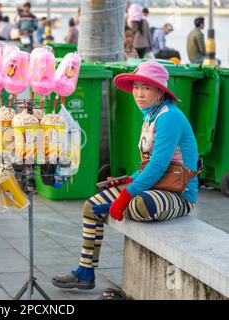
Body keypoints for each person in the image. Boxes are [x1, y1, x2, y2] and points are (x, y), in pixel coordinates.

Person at [51, 61, 199, 298]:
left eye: (147, 88)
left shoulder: (169, 117)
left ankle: (112, 207)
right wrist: (127, 180)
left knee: (141, 205)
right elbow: (149, 167)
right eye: (137, 87)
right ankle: (85, 271)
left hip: (179, 195)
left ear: (160, 91)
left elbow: (159, 166)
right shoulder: (150, 116)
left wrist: (125, 196)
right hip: (155, 186)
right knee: (91, 205)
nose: (139, 93)